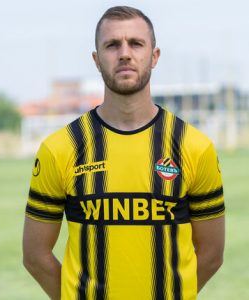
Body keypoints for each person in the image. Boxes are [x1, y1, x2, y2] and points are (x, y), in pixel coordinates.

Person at [22, 6, 225, 300]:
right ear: (97, 59)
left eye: (136, 43)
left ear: (154, 56)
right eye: (112, 44)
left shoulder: (194, 147)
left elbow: (211, 254)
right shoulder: (60, 148)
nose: (125, 53)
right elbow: (35, 255)